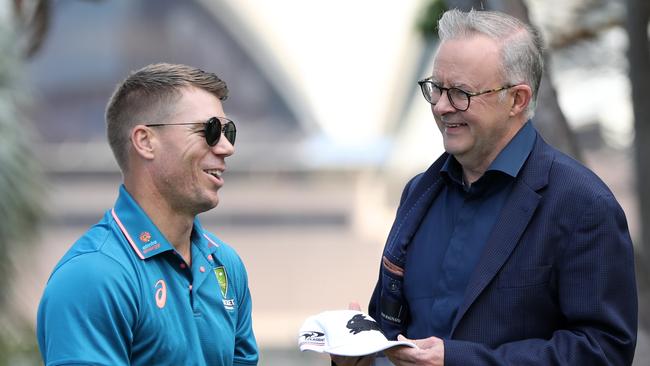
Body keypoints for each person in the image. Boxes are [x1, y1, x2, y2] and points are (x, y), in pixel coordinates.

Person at [333, 9, 637, 366]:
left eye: (461, 93)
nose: (442, 106)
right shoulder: (419, 192)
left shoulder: (582, 204)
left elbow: (603, 351)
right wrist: (360, 355)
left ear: (517, 100)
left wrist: (459, 360)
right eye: (436, 88)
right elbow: (391, 337)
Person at [37, 63, 258, 365]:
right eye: (210, 130)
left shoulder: (226, 265)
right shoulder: (92, 277)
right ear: (145, 141)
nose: (226, 147)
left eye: (228, 131)